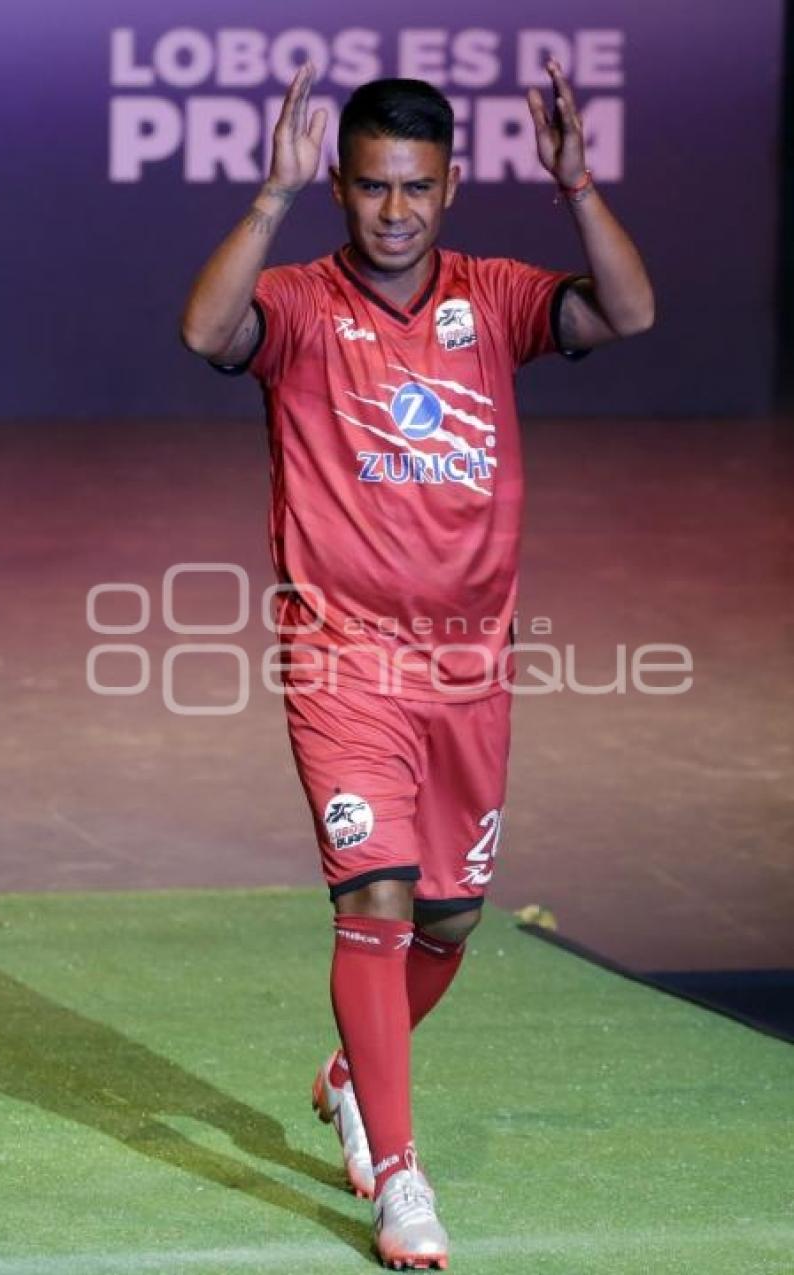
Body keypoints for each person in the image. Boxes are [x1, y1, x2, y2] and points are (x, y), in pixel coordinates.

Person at [182, 62, 654, 1271]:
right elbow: (203, 331)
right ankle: (399, 1175)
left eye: (417, 189)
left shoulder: (490, 297)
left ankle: (350, 1075)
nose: (394, 211)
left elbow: (628, 312)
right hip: (340, 653)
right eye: (372, 188)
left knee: (449, 916)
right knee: (375, 896)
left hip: (470, 665)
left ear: (449, 188)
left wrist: (580, 186)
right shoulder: (295, 303)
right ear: (341, 185)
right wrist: (269, 198)